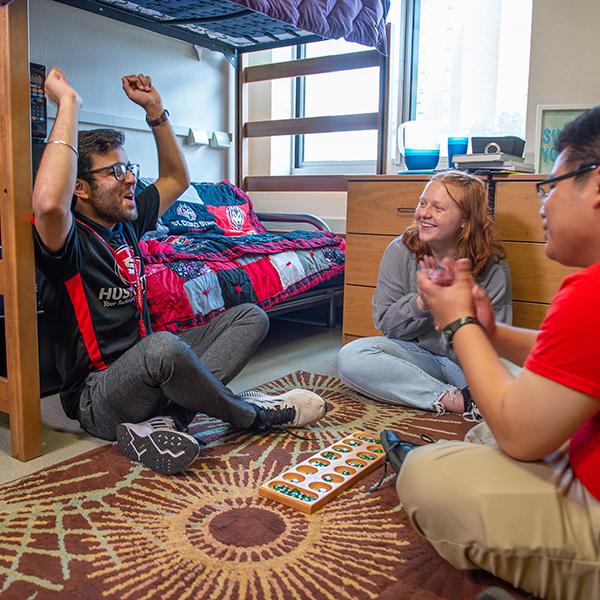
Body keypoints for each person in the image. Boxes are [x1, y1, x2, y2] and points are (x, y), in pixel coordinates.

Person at [32, 67, 327, 476]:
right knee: (163, 347)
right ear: (79, 188)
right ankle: (248, 415)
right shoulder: (67, 240)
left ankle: (167, 421)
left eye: (130, 168)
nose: (131, 179)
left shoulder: (125, 225)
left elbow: (175, 178)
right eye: (116, 172)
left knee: (250, 316)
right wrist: (68, 104)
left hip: (148, 373)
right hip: (98, 394)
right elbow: (48, 204)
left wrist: (155, 110)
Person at [381, 106, 600, 600]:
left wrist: (460, 323)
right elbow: (564, 359)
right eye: (423, 202)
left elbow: (521, 436)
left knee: (425, 475)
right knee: (481, 424)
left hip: (469, 375)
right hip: (420, 358)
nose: (544, 203)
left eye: (553, 185)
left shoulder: (580, 291)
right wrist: (490, 330)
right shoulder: (401, 250)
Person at [337, 170, 512, 420]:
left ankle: (451, 394)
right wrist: (422, 302)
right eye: (422, 203)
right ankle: (456, 400)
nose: (424, 213)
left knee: (525, 384)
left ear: (465, 219)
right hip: (414, 356)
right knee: (352, 356)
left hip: (465, 365)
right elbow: (388, 327)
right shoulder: (399, 251)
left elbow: (491, 353)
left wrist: (453, 315)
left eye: (438, 207)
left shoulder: (493, 268)